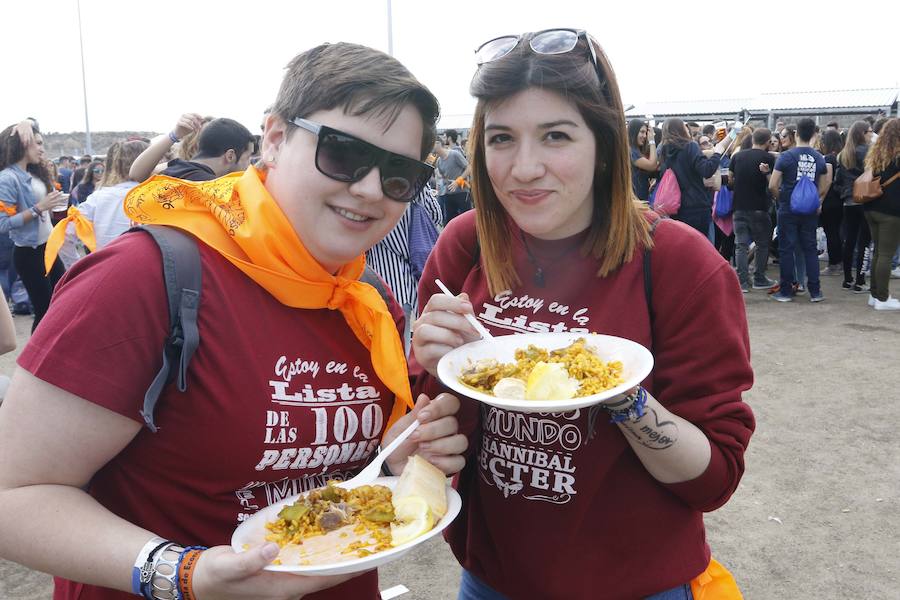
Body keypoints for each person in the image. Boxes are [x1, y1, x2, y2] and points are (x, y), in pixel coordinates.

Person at [0, 42, 467, 600]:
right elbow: (16, 494)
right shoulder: (143, 279)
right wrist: (181, 573)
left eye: (399, 174)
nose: (369, 189)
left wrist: (395, 460)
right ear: (273, 139)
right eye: (342, 153)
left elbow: (330, 478)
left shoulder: (367, 304)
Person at [411, 28, 754, 599]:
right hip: (490, 579)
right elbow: (439, 438)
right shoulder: (465, 245)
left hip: (637, 584)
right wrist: (432, 369)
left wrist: (620, 391)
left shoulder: (679, 264)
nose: (523, 168)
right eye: (501, 138)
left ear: (603, 145)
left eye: (555, 136)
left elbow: (713, 478)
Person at [0, 121, 68, 331]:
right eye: (37, 143)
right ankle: (35, 360)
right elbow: (4, 224)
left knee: (63, 300)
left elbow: (31, 120)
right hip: (30, 253)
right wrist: (40, 207)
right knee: (45, 311)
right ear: (23, 143)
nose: (42, 148)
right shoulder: (7, 178)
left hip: (48, 247)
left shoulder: (34, 172)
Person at [768, 117, 830, 302]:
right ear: (813, 134)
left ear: (796, 134)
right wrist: (815, 200)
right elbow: (825, 185)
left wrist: (782, 199)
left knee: (786, 249)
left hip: (788, 208)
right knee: (810, 248)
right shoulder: (819, 157)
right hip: (809, 211)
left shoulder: (787, 157)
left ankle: (786, 291)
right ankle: (815, 291)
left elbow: (773, 184)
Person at [657, 117, 731, 236]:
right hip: (697, 206)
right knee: (700, 247)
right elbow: (707, 170)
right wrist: (717, 153)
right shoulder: (690, 146)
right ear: (681, 129)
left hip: (677, 206)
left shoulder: (664, 152)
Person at [129, 115, 254, 182]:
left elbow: (136, 174)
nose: (249, 164)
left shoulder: (174, 170)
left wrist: (175, 135)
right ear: (230, 155)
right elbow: (136, 174)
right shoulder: (219, 188)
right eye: (248, 157)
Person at [729, 127, 777, 292]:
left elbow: (730, 179)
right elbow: (773, 185)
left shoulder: (737, 157)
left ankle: (742, 282)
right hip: (759, 208)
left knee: (740, 245)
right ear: (768, 141)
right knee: (763, 244)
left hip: (739, 206)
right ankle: (759, 278)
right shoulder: (768, 158)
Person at [862, 118, 900, 310]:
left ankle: (875, 294)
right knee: (885, 254)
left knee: (878, 252)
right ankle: (882, 299)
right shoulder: (897, 156)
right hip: (891, 211)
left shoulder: (876, 153)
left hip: (871, 206)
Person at [835, 120, 874, 293]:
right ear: (862, 134)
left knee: (849, 240)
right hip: (865, 200)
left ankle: (847, 279)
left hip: (848, 201)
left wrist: (846, 191)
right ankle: (860, 281)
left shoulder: (843, 154)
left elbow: (837, 182)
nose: (872, 135)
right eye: (869, 132)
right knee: (864, 242)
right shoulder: (867, 152)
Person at [819, 129, 845, 275]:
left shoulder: (828, 158)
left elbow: (827, 180)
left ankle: (834, 264)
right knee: (837, 232)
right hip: (839, 200)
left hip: (830, 200)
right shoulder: (841, 157)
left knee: (831, 233)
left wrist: (820, 199)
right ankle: (838, 262)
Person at [432, 135, 470, 225]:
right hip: (448, 194)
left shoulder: (454, 154)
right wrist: (440, 189)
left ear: (438, 143)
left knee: (466, 220)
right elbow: (444, 178)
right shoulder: (439, 161)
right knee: (449, 222)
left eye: (431, 144)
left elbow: (469, 168)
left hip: (462, 192)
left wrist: (458, 181)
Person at [627, 118, 658, 201]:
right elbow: (652, 165)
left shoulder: (635, 150)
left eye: (646, 133)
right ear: (634, 132)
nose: (645, 136)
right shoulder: (631, 151)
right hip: (636, 200)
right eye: (642, 132)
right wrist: (652, 141)